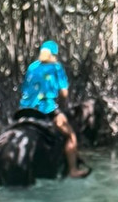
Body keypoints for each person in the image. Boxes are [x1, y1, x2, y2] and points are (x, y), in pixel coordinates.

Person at [19, 40, 89, 178]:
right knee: (70, 136)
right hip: (47, 110)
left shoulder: (32, 67)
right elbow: (64, 93)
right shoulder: (56, 67)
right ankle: (73, 170)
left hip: (24, 110)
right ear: (53, 55)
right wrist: (62, 104)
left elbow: (25, 89)